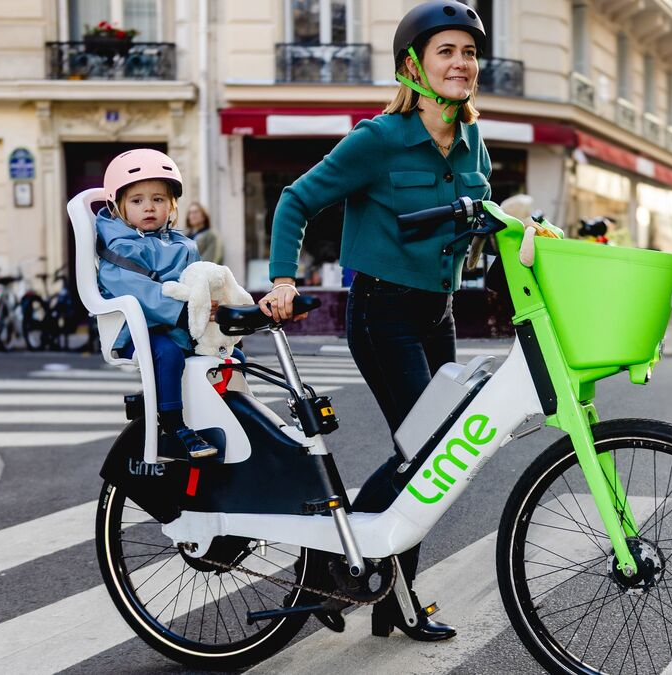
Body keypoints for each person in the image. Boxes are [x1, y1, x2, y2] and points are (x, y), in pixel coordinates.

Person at [257, 0, 491, 642]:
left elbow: (483, 221)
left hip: (437, 313)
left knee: (427, 461)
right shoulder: (379, 140)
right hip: (382, 311)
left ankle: (391, 598)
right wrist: (283, 278)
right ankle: (339, 565)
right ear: (413, 66)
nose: (462, 62)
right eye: (446, 50)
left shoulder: (473, 142)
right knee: (428, 449)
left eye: (469, 52)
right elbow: (295, 200)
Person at [96, 148, 244, 459]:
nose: (148, 207)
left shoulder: (181, 243)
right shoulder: (118, 247)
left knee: (232, 354)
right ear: (118, 206)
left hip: (183, 324)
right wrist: (187, 314)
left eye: (158, 199)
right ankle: (174, 424)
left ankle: (230, 412)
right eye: (137, 201)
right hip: (137, 331)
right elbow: (134, 289)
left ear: (171, 205)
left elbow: (197, 281)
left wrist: (219, 306)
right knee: (167, 354)